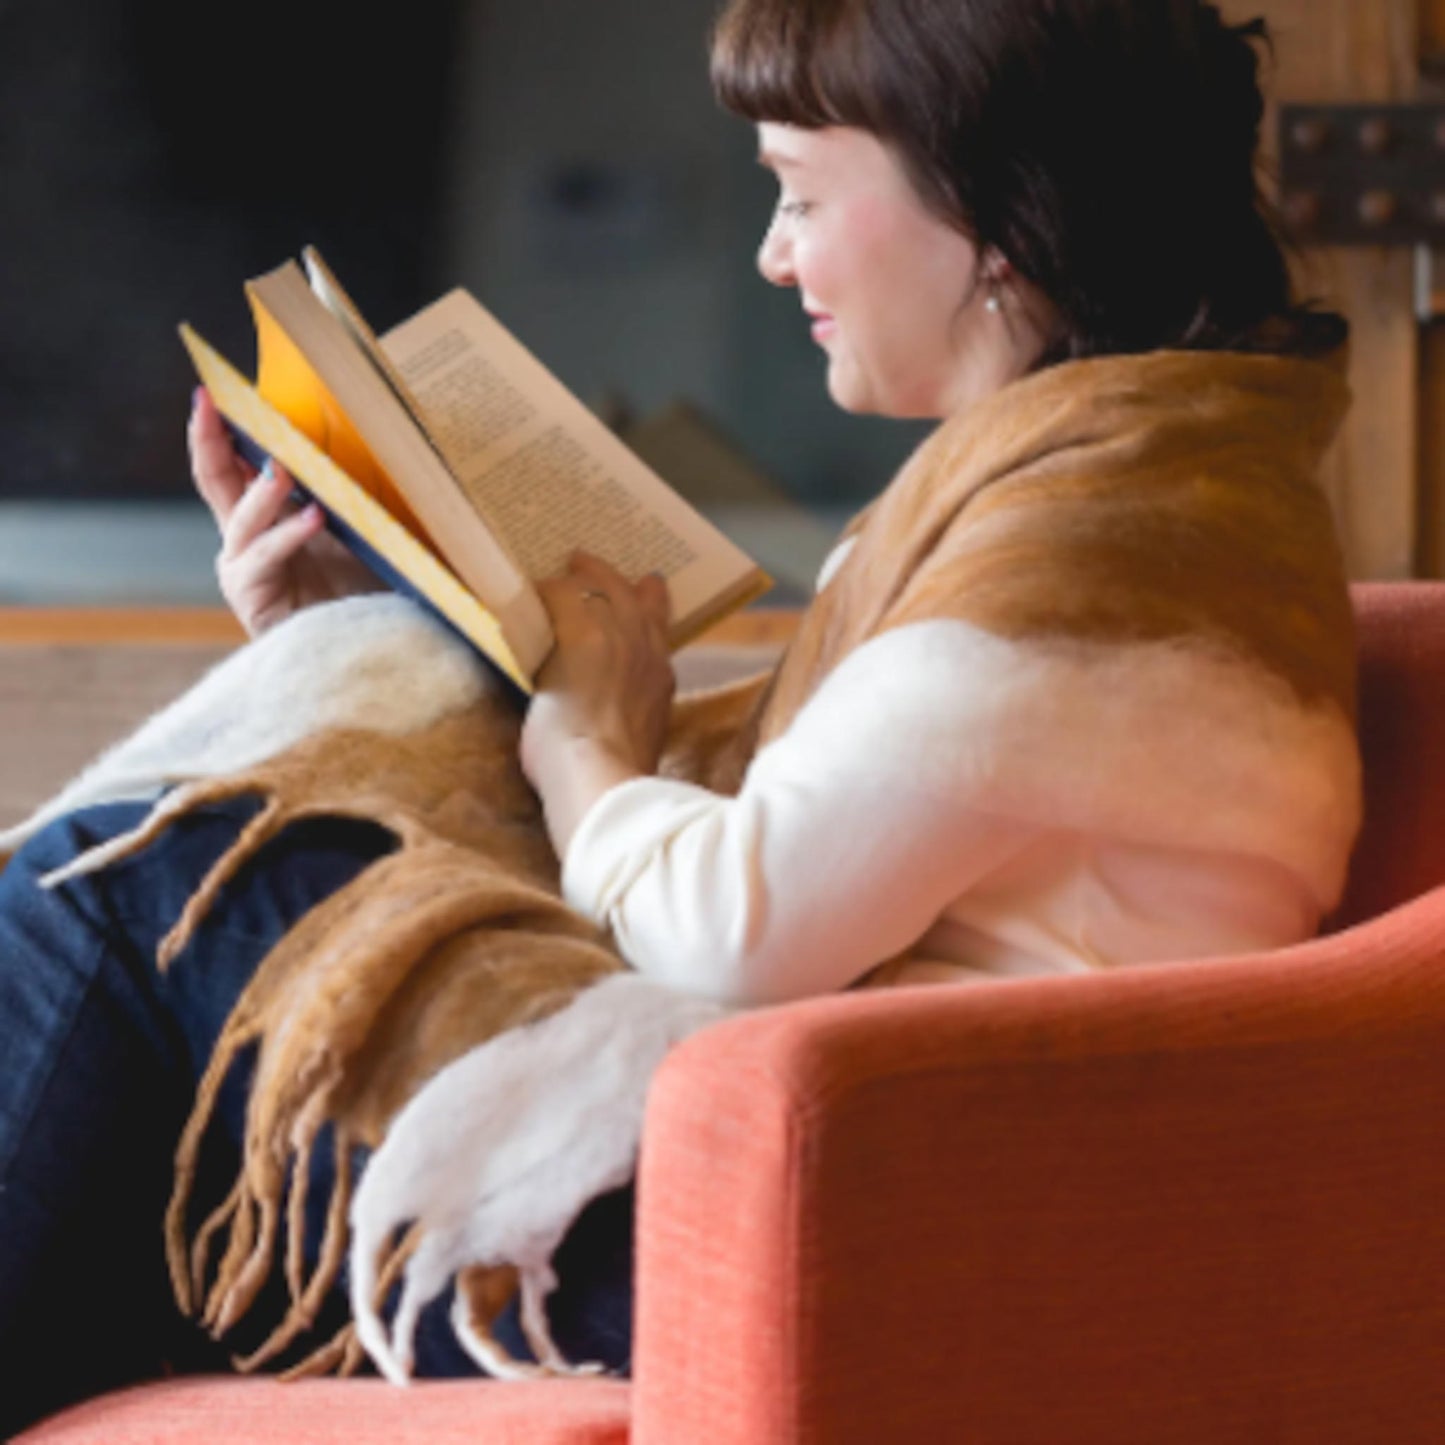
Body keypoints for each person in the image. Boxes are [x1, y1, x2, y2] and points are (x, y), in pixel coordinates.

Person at [0, 0, 1361, 1433]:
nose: (773, 254)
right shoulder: (1129, 496)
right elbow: (819, 850)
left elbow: (734, 924)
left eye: (799, 194)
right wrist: (354, 631)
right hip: (870, 1187)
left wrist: (586, 731)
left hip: (848, 1228)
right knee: (146, 1041)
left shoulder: (1096, 551)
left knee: (135, 884)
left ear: (996, 215)